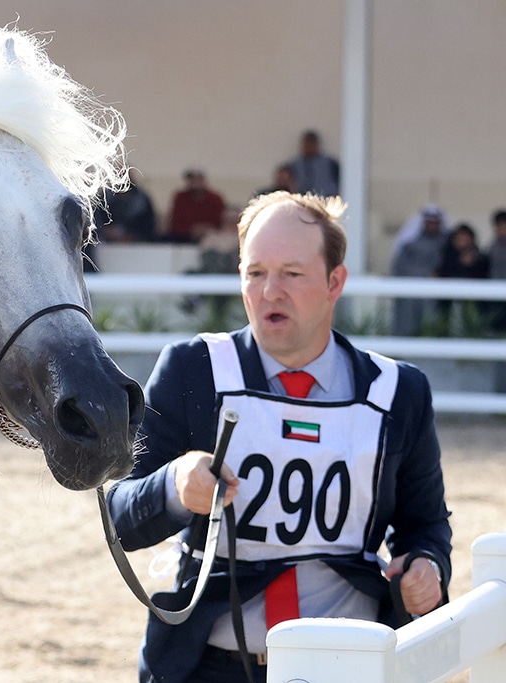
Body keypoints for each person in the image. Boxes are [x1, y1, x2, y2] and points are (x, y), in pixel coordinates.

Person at [106, 191, 451, 683]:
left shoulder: (399, 392)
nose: (270, 291)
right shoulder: (193, 370)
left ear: (335, 282)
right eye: (255, 273)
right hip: (212, 665)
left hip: (348, 665)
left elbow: (426, 523)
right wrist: (176, 485)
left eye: (291, 274)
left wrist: (426, 565)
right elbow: (120, 516)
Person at [390, 207, 449, 336]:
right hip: (409, 293)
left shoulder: (446, 244)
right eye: (429, 222)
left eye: (435, 223)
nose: (432, 226)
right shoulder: (409, 244)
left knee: (432, 326)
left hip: (434, 295)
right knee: (407, 324)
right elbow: (399, 267)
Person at [94, 169, 158, 242]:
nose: (123, 180)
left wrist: (133, 236)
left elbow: (148, 226)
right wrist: (106, 231)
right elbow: (97, 221)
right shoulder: (105, 198)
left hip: (137, 243)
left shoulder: (142, 201)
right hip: (106, 243)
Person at [164, 168, 226, 243]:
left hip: (212, 236)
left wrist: (207, 229)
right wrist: (191, 230)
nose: (195, 183)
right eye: (192, 180)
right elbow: (175, 221)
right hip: (185, 236)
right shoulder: (180, 197)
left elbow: (222, 220)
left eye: (198, 179)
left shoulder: (215, 198)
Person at [284, 130, 339, 197]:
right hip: (301, 202)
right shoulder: (294, 165)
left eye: (312, 143)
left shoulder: (330, 164)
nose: (309, 147)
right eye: (307, 143)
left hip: (324, 201)